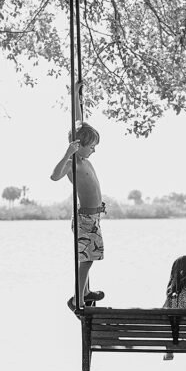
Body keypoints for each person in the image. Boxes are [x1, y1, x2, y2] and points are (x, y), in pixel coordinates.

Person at [51, 80, 105, 308]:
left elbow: (77, 120)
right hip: (84, 218)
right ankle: (78, 298)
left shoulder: (83, 158)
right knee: (88, 258)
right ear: (78, 145)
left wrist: (75, 94)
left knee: (89, 255)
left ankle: (87, 291)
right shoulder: (74, 160)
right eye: (91, 146)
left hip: (93, 216)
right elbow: (54, 176)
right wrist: (67, 153)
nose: (94, 149)